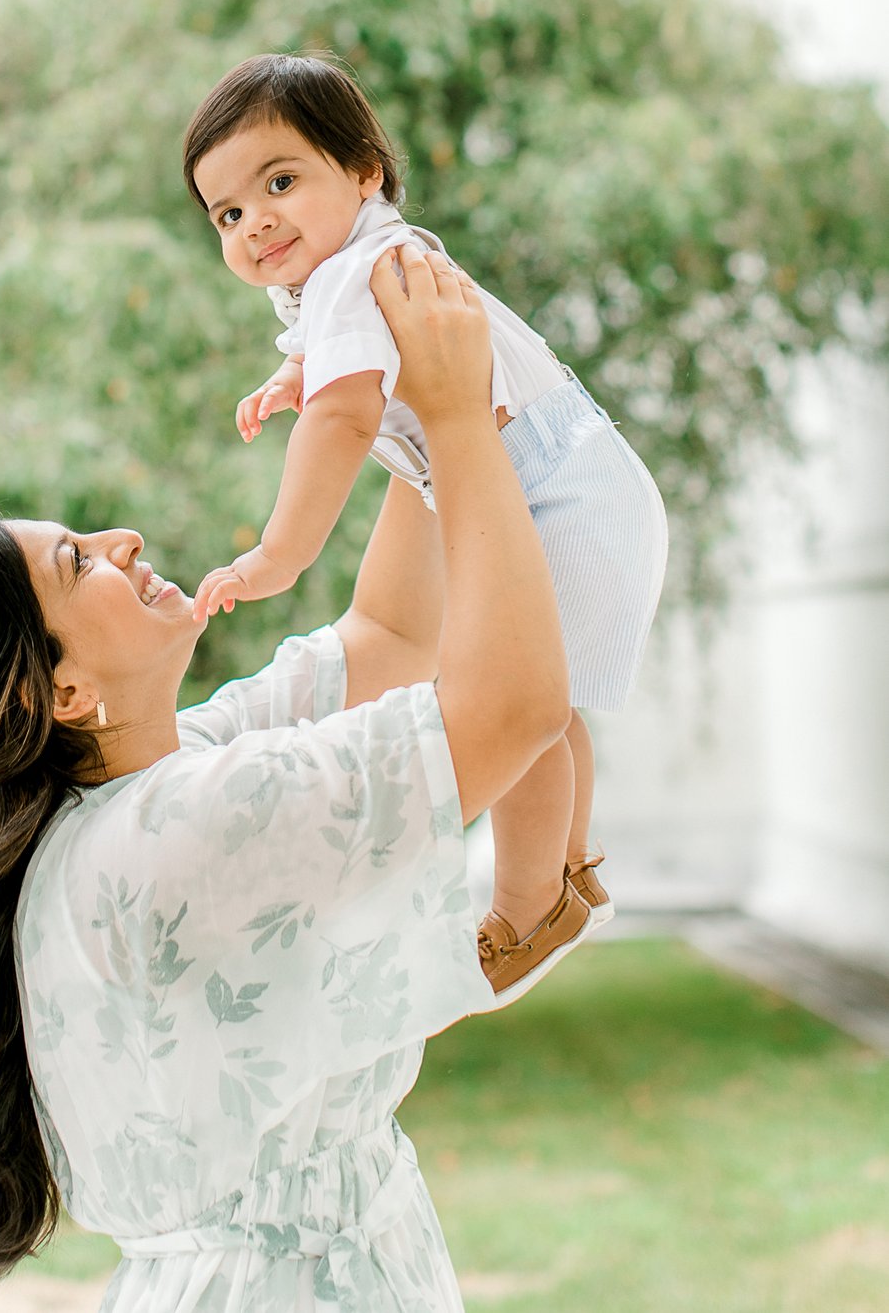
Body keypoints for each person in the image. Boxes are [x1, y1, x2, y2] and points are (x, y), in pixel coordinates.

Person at [0, 244, 571, 1305]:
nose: (123, 540)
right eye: (76, 564)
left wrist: (415, 406)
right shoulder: (176, 827)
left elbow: (387, 635)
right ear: (50, 695)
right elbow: (509, 708)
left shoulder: (153, 780)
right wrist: (462, 426)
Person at [178, 52, 666, 997]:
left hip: (556, 493)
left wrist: (280, 552)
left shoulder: (356, 275)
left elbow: (347, 416)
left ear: (364, 172)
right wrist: (296, 373)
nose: (256, 222)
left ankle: (528, 907)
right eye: (228, 214)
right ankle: (571, 875)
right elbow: (350, 372)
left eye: (280, 182)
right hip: (583, 480)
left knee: (515, 704)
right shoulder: (364, 265)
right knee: (545, 697)